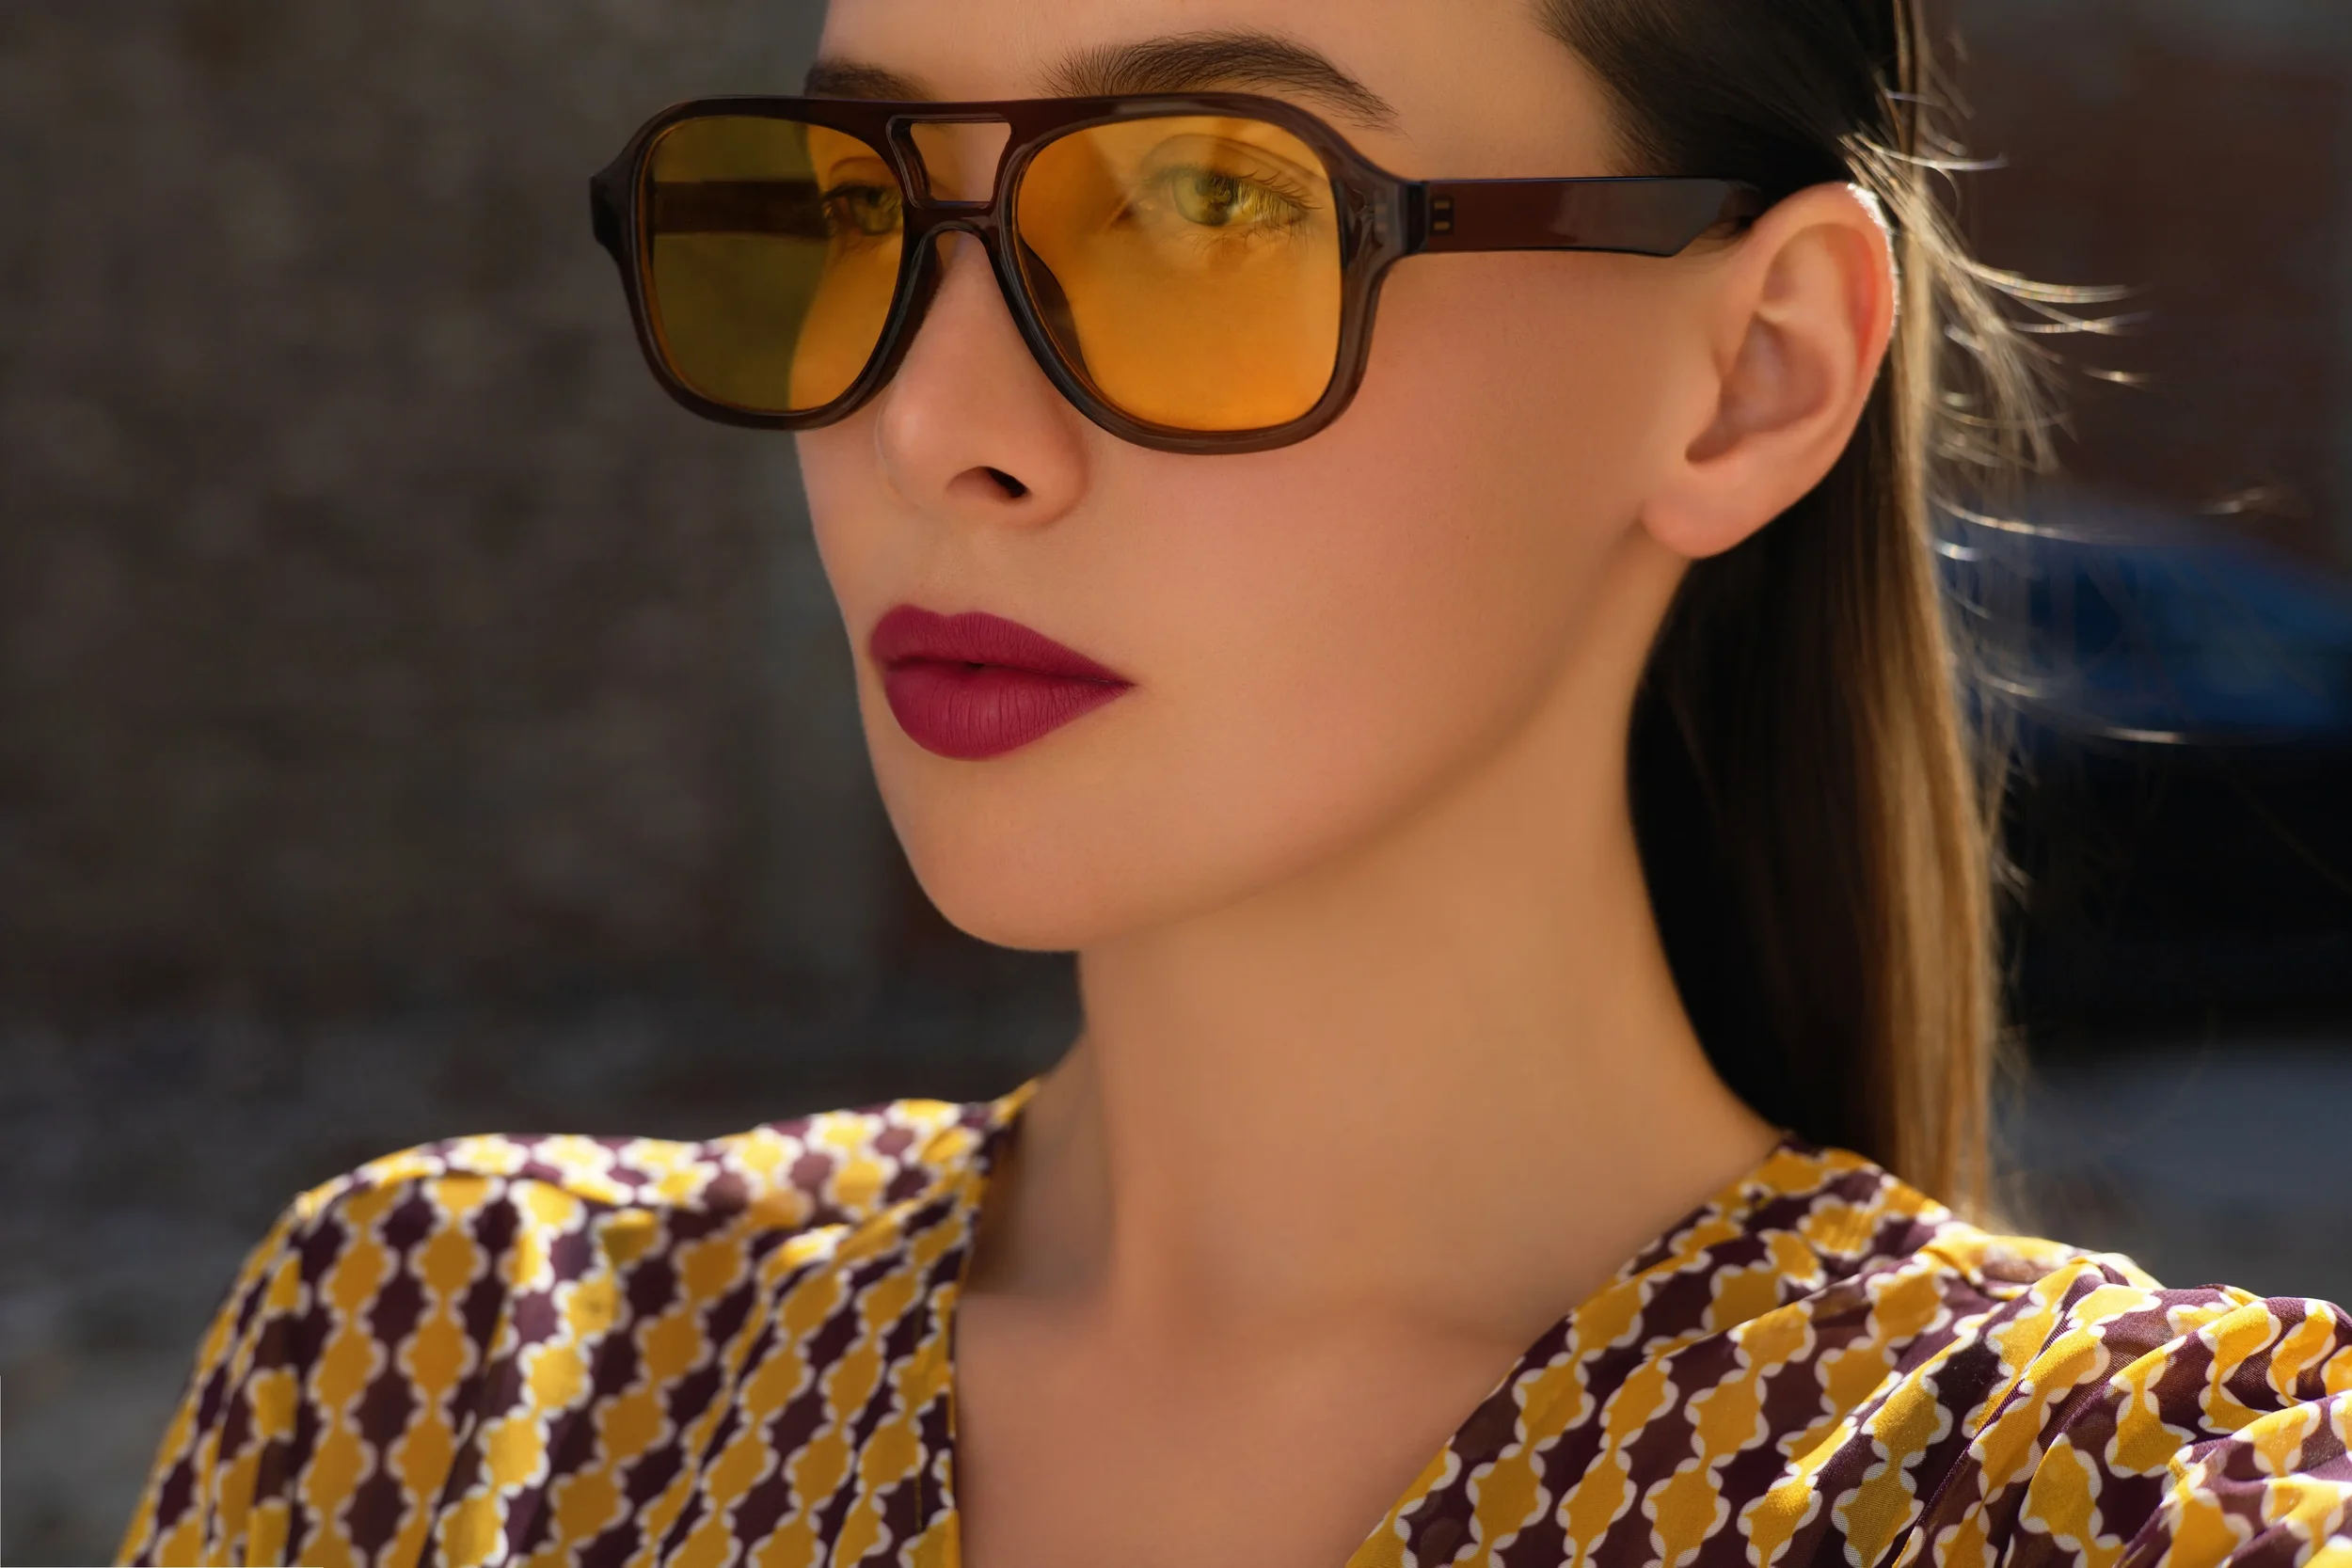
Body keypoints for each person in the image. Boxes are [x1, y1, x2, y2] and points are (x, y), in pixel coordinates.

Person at [122, 1, 2352, 1565]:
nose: (932, 422)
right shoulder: (437, 1375)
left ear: (1750, 375)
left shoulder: (2121, 1503)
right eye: (856, 203)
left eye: (1210, 205)